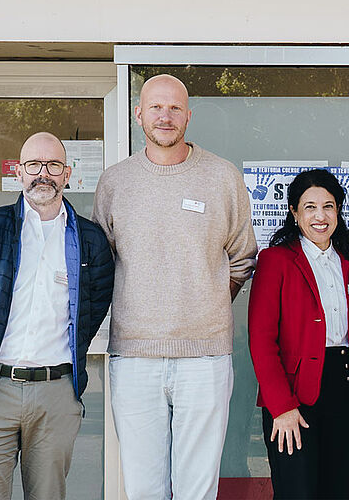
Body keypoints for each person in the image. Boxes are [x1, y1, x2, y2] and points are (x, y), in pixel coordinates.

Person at [92, 74, 257, 500]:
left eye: (174, 108)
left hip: (206, 355)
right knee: (144, 488)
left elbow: (242, 259)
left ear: (188, 115)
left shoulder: (222, 177)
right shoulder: (114, 182)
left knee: (197, 488)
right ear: (138, 114)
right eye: (156, 107)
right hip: (133, 356)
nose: (165, 116)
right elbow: (100, 265)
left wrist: (205, 303)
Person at [0, 132, 114, 500]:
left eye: (53, 165)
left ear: (67, 173)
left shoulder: (90, 239)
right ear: (19, 172)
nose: (43, 174)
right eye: (34, 165)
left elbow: (93, 307)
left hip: (56, 393)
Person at [248, 169, 349, 499]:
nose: (320, 216)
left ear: (338, 211)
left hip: (345, 391)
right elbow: (261, 340)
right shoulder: (275, 260)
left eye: (329, 206)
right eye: (310, 207)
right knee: (297, 491)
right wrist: (281, 406)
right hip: (294, 396)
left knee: (337, 490)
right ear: (294, 212)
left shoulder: (347, 262)